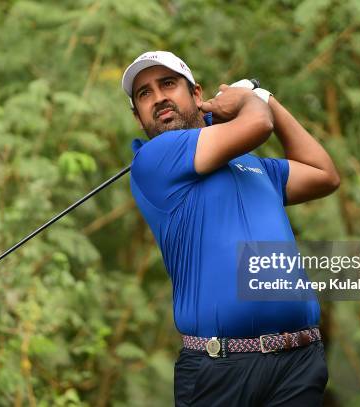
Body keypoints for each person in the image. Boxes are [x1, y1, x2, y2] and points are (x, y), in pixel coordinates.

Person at [121, 51, 340, 406]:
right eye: (144, 94)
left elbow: (324, 175)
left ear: (196, 95)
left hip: (299, 364)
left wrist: (268, 100)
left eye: (168, 83)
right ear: (138, 116)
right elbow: (257, 126)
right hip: (219, 369)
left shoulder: (254, 167)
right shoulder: (154, 159)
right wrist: (252, 101)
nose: (158, 96)